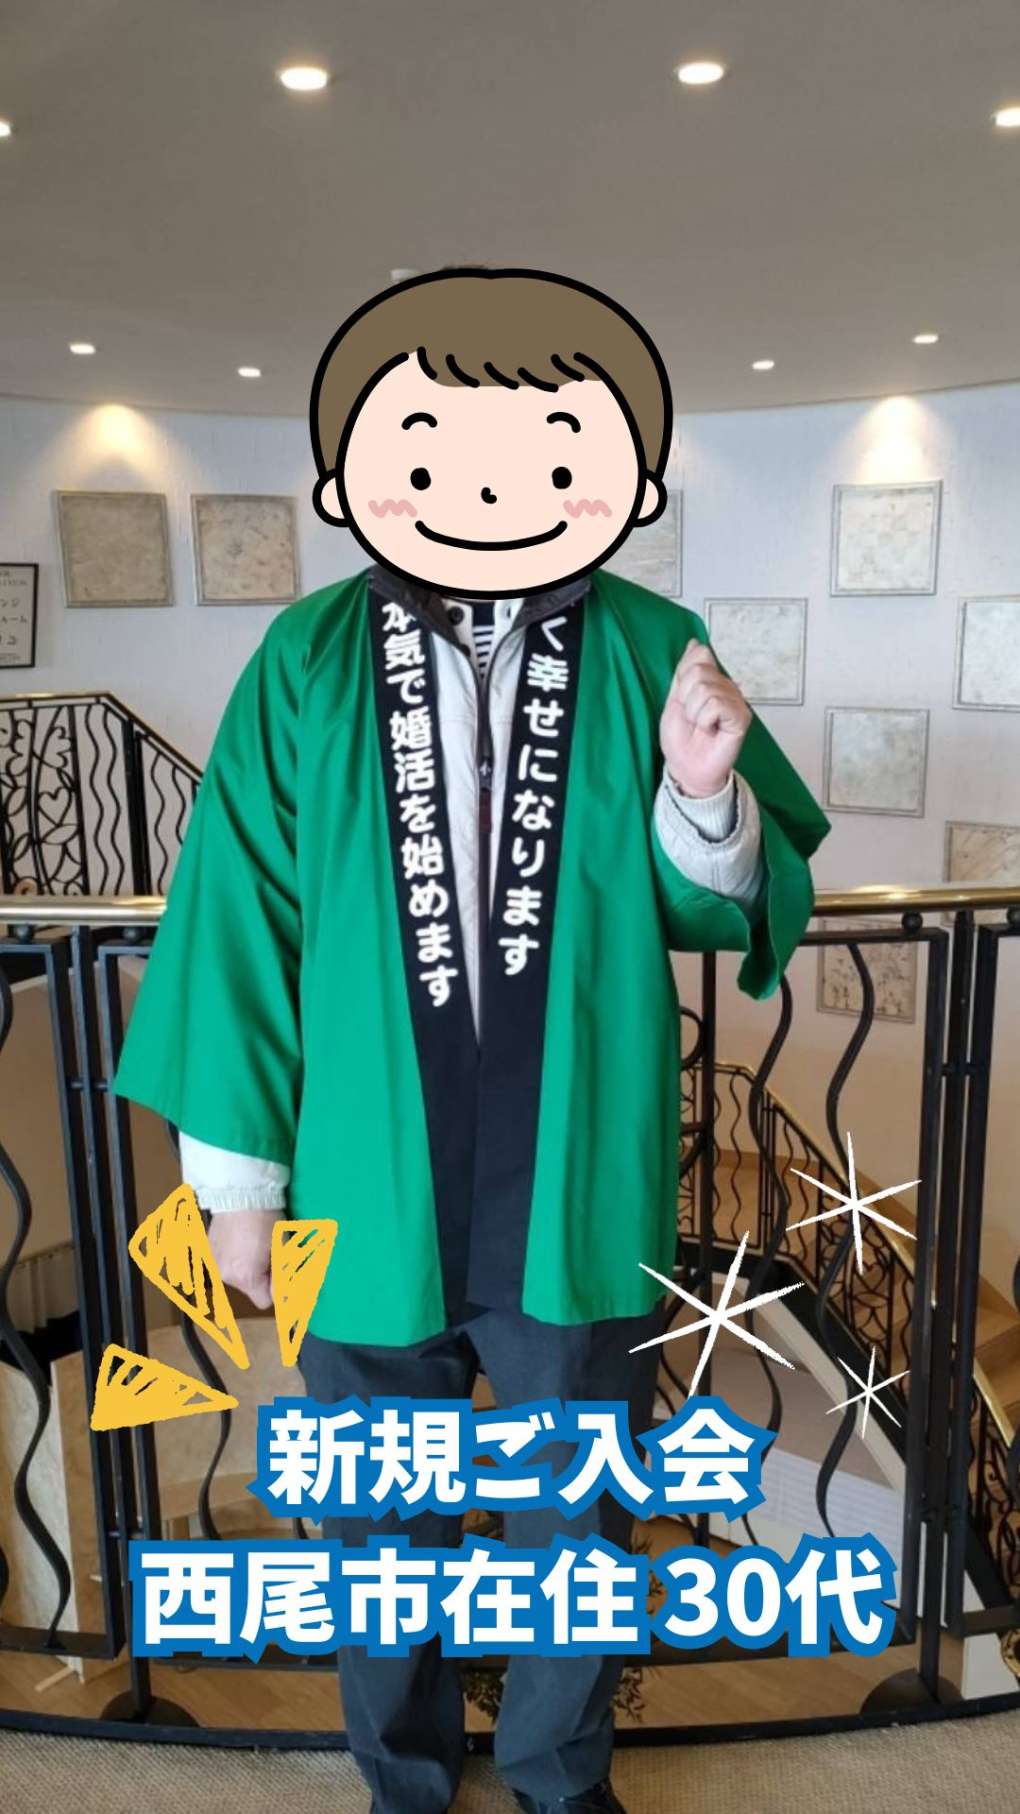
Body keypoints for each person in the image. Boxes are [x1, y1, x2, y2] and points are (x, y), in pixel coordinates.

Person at [112, 267, 830, 1813]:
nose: (492, 491)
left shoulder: (652, 644)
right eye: (436, 454)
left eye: (547, 453)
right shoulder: (307, 658)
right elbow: (239, 916)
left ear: (618, 478)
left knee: (577, 1511)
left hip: (577, 1180)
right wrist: (233, 1183)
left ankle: (560, 1772)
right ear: (357, 475)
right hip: (361, 1174)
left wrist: (703, 791)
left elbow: (723, 898)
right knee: (382, 1517)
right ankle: (405, 1777)